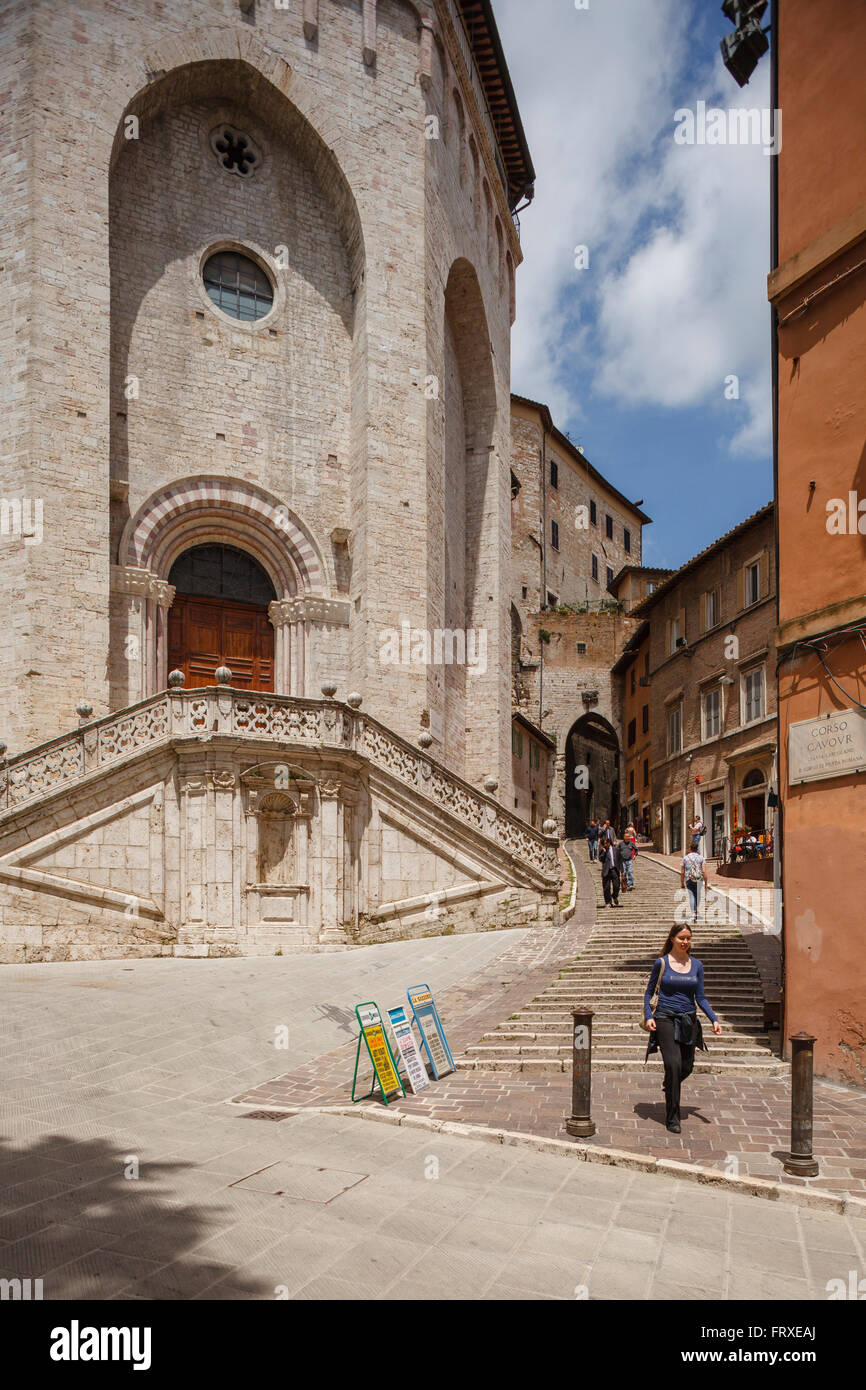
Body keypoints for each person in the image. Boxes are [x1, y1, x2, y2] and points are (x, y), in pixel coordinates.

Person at [644, 924, 723, 1132]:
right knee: (673, 1064)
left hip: (688, 1019)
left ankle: (670, 1082)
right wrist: (648, 1016)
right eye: (681, 938)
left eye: (688, 938)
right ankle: (673, 1118)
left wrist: (713, 1019)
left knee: (686, 1066)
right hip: (664, 1018)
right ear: (672, 939)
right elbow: (648, 993)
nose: (685, 942)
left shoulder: (697, 965)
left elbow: (701, 997)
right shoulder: (661, 963)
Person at [680, 844, 708, 923]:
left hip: (689, 879)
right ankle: (696, 911)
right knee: (697, 896)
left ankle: (693, 913)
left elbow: (682, 872)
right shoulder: (701, 858)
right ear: (697, 849)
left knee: (692, 896)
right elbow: (704, 871)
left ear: (690, 848)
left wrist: (682, 883)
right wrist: (706, 883)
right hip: (699, 879)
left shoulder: (685, 858)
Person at [600, 832, 621, 907]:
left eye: (606, 843)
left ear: (609, 843)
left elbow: (619, 859)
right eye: (604, 844)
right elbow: (601, 859)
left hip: (614, 870)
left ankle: (614, 896)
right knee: (606, 887)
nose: (605, 845)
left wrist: (622, 870)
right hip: (606, 870)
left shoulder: (616, 849)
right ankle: (608, 902)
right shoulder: (603, 850)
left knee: (616, 886)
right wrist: (604, 852)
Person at [621, 823, 637, 890]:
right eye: (626, 837)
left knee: (630, 871)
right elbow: (617, 851)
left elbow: (636, 849)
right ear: (624, 837)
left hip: (629, 860)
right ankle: (624, 884)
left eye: (628, 837)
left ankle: (630, 884)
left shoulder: (631, 843)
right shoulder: (621, 844)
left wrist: (635, 855)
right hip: (623, 860)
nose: (627, 838)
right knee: (624, 872)